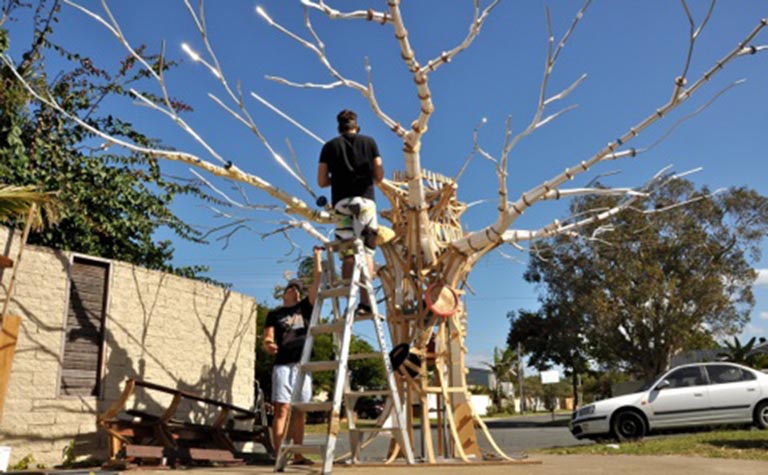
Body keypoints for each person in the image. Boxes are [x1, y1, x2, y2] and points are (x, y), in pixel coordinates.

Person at [317, 109, 384, 313]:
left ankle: (350, 302)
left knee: (347, 251)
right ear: (356, 125)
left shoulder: (329, 147)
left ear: (339, 127)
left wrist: (335, 179)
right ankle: (366, 303)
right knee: (368, 251)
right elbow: (379, 174)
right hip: (365, 201)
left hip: (342, 203)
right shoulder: (369, 142)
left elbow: (321, 181)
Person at [263, 246, 322, 464]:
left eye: (298, 289)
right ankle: (279, 454)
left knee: (299, 411)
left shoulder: (305, 309)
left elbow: (317, 281)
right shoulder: (275, 314)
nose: (295, 291)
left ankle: (297, 454)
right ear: (285, 292)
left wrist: (317, 257)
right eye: (291, 288)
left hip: (302, 365)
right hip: (282, 365)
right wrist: (269, 344)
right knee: (282, 409)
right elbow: (267, 336)